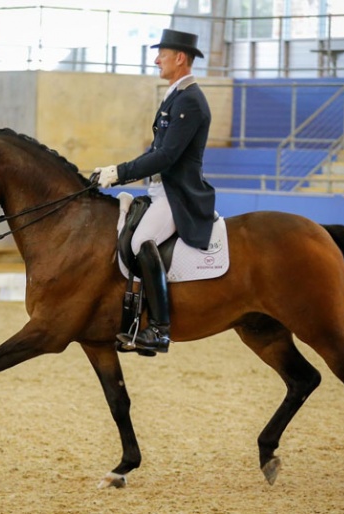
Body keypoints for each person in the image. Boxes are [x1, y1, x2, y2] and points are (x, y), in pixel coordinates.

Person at [93, 29, 216, 355]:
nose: (156, 59)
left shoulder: (190, 100)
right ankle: (136, 320)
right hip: (160, 189)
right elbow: (154, 150)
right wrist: (114, 170)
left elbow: (165, 157)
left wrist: (118, 173)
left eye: (162, 53)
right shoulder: (175, 96)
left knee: (139, 242)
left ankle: (159, 329)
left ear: (179, 58)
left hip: (179, 195)